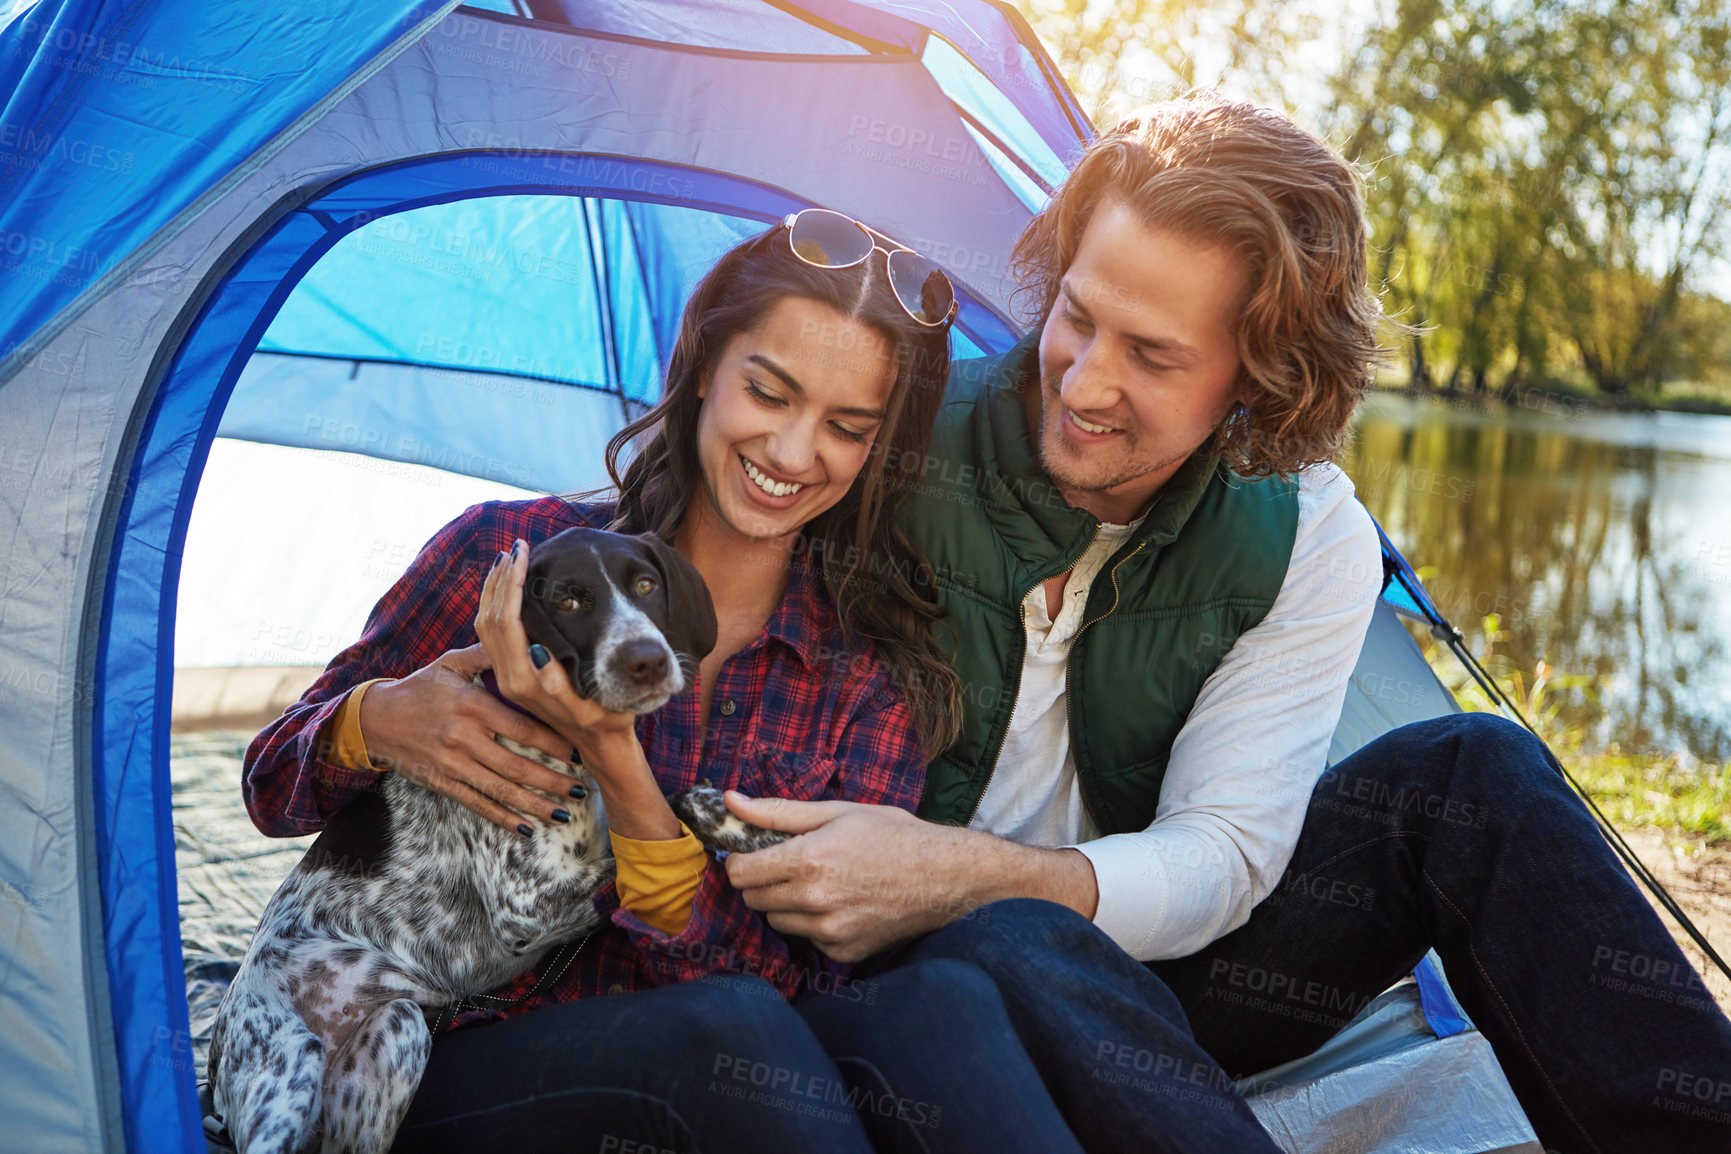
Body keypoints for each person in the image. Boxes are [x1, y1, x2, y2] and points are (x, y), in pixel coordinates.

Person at [723, 97, 1731, 1153]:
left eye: (1153, 358)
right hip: (902, 983)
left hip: (1166, 973)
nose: (1085, 380)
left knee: (1472, 773)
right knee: (1014, 934)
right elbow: (677, 536)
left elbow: (1223, 853)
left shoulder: (1306, 529)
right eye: (1077, 314)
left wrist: (975, 871)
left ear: (1262, 374)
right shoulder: (890, 438)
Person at [237, 211, 1088, 1153]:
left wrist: (617, 763)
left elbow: (791, 984)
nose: (794, 454)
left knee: (940, 1002)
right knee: (728, 1034)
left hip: (742, 1077)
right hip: (449, 1064)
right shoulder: (507, 559)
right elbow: (272, 788)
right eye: (768, 393)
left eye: (847, 428)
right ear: (704, 365)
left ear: (881, 448)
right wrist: (376, 722)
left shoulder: (865, 683)